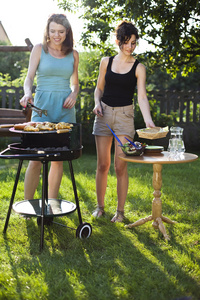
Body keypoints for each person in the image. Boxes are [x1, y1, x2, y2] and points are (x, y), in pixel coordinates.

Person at [92, 20, 155, 222]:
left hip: (125, 117)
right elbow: (99, 88)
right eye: (126, 42)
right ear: (118, 41)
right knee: (103, 165)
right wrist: (97, 103)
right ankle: (100, 207)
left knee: (120, 166)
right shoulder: (106, 62)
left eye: (134, 43)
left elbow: (142, 97)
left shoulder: (139, 67)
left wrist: (148, 121)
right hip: (104, 115)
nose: (130, 47)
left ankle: (120, 212)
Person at [20, 13, 79, 200]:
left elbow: (75, 83)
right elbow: (29, 78)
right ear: (48, 30)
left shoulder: (73, 54)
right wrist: (28, 93)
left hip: (65, 110)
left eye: (61, 31)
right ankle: (28, 204)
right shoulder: (39, 49)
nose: (56, 35)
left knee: (58, 160)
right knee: (35, 159)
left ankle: (52, 203)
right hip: (42, 108)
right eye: (53, 30)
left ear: (67, 32)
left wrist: (74, 94)